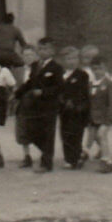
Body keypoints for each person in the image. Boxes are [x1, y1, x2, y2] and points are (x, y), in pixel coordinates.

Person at [17, 38, 64, 173]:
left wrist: (44, 92)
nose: (43, 51)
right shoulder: (35, 65)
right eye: (41, 48)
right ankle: (46, 153)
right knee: (32, 131)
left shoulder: (56, 67)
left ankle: (46, 163)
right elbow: (30, 83)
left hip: (49, 105)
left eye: (46, 48)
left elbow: (59, 87)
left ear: (52, 51)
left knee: (48, 134)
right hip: (35, 105)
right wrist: (17, 94)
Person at [57, 47, 91, 169]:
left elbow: (83, 92)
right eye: (68, 58)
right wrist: (61, 100)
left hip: (78, 109)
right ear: (63, 60)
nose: (72, 61)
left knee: (76, 133)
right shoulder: (60, 74)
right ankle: (68, 158)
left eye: (74, 58)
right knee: (65, 133)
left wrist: (75, 102)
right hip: (64, 109)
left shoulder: (82, 75)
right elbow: (58, 90)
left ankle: (75, 158)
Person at [86, 57, 112, 173]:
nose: (97, 71)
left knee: (101, 135)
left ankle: (107, 161)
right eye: (94, 69)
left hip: (105, 117)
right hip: (93, 117)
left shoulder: (110, 84)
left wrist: (110, 119)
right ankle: (87, 152)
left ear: (105, 69)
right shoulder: (90, 84)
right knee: (95, 137)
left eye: (100, 68)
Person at [13, 45, 39, 168]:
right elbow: (15, 86)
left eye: (30, 55)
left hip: (36, 103)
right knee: (22, 129)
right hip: (23, 102)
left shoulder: (39, 69)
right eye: (25, 55)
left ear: (35, 56)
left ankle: (44, 154)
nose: (28, 57)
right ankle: (27, 156)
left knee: (37, 129)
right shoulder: (18, 71)